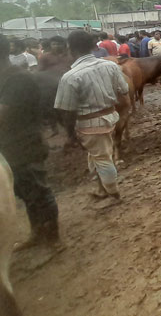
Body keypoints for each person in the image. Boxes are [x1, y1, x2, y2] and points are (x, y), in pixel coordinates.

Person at [0, 34, 61, 250]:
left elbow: (3, 113)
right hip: (9, 149)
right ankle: (37, 232)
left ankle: (53, 238)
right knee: (26, 194)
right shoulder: (6, 77)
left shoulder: (17, 79)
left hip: (25, 146)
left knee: (39, 192)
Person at [54, 30, 130, 201]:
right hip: (111, 116)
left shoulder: (70, 77)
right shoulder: (111, 66)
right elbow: (124, 90)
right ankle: (101, 188)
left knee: (102, 158)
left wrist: (70, 134)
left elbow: (66, 110)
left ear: (70, 49)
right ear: (92, 46)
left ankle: (112, 191)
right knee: (98, 154)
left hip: (89, 124)